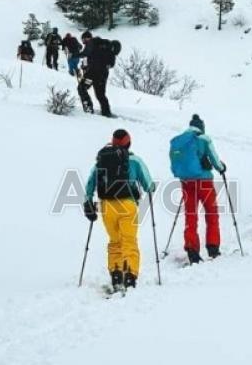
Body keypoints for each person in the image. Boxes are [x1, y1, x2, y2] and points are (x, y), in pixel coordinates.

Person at [84, 129, 155, 291]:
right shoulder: (135, 161)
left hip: (107, 206)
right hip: (127, 205)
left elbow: (90, 183)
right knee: (129, 241)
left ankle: (116, 275)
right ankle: (130, 276)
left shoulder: (101, 160)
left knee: (114, 241)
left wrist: (88, 201)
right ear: (128, 143)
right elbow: (149, 186)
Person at [169, 114, 226, 264]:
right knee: (211, 213)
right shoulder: (203, 139)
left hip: (186, 182)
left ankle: (191, 247)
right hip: (204, 182)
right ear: (201, 126)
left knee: (191, 215)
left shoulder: (181, 140)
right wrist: (221, 168)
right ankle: (213, 246)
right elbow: (215, 159)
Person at [78, 31, 118, 117]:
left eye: (83, 39)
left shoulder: (91, 43)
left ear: (87, 38)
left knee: (82, 88)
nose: (83, 41)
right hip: (103, 74)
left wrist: (75, 55)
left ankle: (88, 108)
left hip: (92, 73)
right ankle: (106, 112)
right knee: (100, 94)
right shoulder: (104, 44)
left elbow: (84, 54)